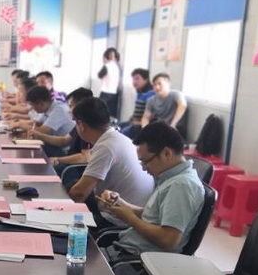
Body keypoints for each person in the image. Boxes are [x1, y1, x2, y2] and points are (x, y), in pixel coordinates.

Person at [97, 122, 205, 261]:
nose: (144, 168)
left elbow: (168, 240)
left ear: (167, 153)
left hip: (137, 261)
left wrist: (130, 219)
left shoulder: (182, 185)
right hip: (126, 251)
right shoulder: (170, 177)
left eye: (146, 161)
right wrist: (121, 204)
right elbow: (154, 216)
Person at [67, 98, 154, 231]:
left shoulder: (106, 147)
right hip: (134, 210)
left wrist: (57, 207)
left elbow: (79, 194)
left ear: (81, 125)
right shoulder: (117, 138)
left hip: (118, 221)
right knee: (73, 184)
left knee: (66, 223)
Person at [38, 87, 94, 175]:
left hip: (75, 168)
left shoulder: (88, 127)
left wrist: (58, 159)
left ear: (81, 105)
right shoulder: (79, 123)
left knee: (45, 168)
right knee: (43, 149)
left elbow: (84, 157)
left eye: (71, 106)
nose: (68, 110)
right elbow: (64, 140)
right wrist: (40, 136)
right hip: (69, 160)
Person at [10, 85, 75, 157]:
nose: (32, 108)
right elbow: (36, 122)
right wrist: (18, 122)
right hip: (54, 145)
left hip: (64, 150)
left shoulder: (59, 110)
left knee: (27, 150)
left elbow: (42, 131)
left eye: (32, 105)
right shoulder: (48, 107)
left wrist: (21, 125)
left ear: (41, 104)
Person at [120, 68, 156, 139]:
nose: (134, 82)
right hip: (135, 123)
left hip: (143, 125)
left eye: (137, 79)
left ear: (145, 79)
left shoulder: (151, 94)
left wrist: (137, 122)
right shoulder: (140, 92)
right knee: (118, 126)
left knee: (121, 132)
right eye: (133, 79)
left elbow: (151, 116)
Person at [98, 47, 121, 119]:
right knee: (112, 114)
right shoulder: (118, 67)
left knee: (100, 112)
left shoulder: (107, 66)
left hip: (105, 93)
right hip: (115, 93)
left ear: (106, 57)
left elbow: (100, 75)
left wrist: (105, 63)